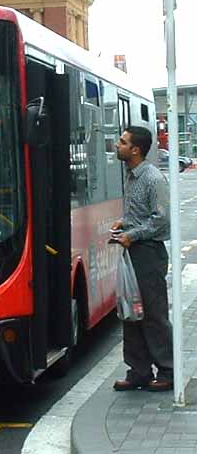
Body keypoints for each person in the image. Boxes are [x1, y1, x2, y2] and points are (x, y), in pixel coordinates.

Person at [111, 125, 174, 392]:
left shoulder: (153, 178)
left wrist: (133, 235)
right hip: (133, 251)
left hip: (148, 253)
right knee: (131, 311)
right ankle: (138, 371)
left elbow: (161, 220)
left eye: (122, 142)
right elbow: (141, 214)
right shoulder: (131, 175)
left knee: (153, 313)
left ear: (135, 149)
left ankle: (168, 371)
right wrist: (124, 224)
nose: (117, 145)